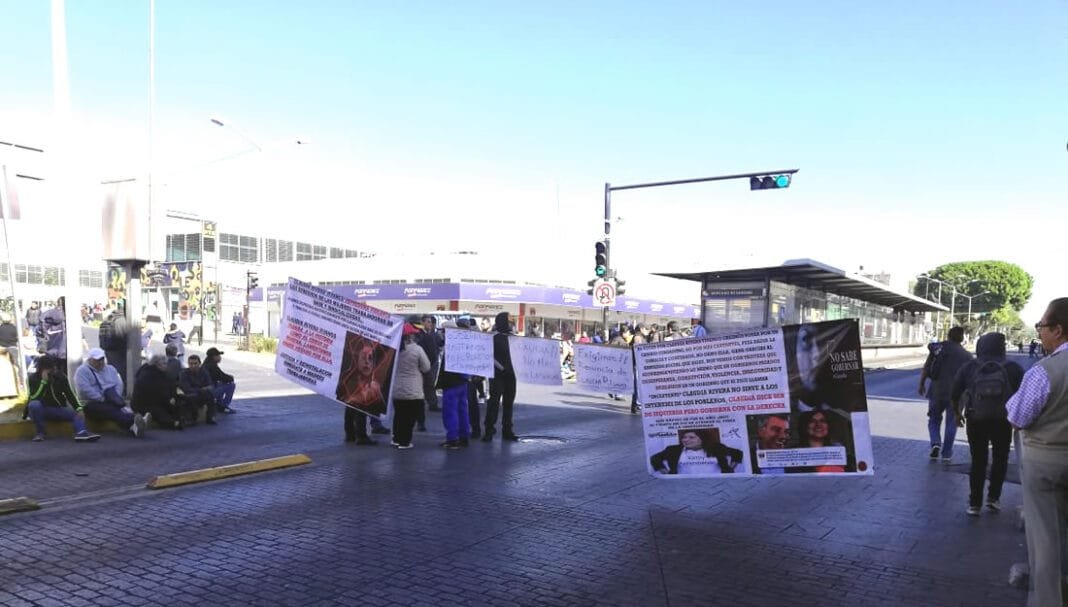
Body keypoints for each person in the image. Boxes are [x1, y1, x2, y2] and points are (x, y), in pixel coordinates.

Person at [1006, 298, 1068, 607]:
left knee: (1045, 541)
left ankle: (1049, 600)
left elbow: (1018, 417)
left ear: (1058, 330)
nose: (1040, 332)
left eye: (1042, 326)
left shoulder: (1044, 371)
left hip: (1045, 463)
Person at [950, 332, 1023, 516]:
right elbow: (1023, 396)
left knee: (978, 460)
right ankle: (994, 498)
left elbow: (955, 392)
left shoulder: (969, 367)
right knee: (1000, 458)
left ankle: (974, 504)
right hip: (1003, 421)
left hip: (976, 419)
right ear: (1002, 347)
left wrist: (958, 414)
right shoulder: (1013, 368)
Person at [918, 327, 973, 462]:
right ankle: (947, 452)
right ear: (962, 337)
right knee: (952, 423)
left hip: (937, 390)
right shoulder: (967, 355)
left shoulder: (938, 349)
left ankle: (935, 443)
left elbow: (927, 366)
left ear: (948, 335)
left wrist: (922, 383)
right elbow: (970, 378)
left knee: (934, 419)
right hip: (958, 395)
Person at [73, 348, 147, 437]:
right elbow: (84, 389)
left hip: (111, 399)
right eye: (97, 360)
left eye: (102, 359)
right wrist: (101, 398)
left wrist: (115, 397)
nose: (100, 362)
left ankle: (134, 425)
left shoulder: (110, 369)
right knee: (113, 410)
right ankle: (134, 421)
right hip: (91, 402)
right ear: (90, 360)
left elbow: (119, 383)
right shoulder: (82, 372)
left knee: (119, 408)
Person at [25, 355, 100, 442]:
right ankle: (40, 433)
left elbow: (69, 394)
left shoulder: (60, 377)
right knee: (34, 405)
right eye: (48, 369)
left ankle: (81, 433)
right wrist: (43, 382)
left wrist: (78, 408)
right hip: (40, 409)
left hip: (56, 409)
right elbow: (34, 397)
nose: (52, 371)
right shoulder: (32, 378)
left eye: (53, 368)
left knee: (75, 413)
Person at [390, 323, 431, 449]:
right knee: (409, 418)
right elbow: (426, 367)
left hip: (397, 389)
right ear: (410, 336)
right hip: (413, 390)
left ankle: (396, 439)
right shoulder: (417, 349)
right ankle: (405, 442)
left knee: (399, 415)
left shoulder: (394, 349)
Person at [483, 312, 519, 442]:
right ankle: (489, 430)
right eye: (508, 321)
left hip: (511, 376)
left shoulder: (514, 338)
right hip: (498, 376)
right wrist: (501, 368)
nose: (511, 324)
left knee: (508, 404)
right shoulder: (494, 338)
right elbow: (489, 356)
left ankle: (507, 430)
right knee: (494, 403)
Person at [436, 321, 471, 449]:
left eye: (443, 331)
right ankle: (464, 436)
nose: (442, 333)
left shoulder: (451, 345)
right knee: (462, 410)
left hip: (451, 383)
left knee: (451, 412)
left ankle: (452, 438)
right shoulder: (463, 344)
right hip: (462, 382)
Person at [649, 428, 743, 475]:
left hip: (715, 483)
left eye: (691, 437)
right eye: (684, 437)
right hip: (684, 484)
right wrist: (666, 473)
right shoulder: (673, 450)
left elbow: (737, 453)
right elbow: (655, 458)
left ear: (702, 439)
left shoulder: (716, 447)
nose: (686, 440)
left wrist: (730, 469)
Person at [132, 354, 183, 430]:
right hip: (144, 404)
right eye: (164, 364)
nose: (166, 366)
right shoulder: (149, 375)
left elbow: (169, 386)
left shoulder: (160, 373)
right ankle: (173, 423)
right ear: (156, 364)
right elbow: (158, 392)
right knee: (161, 412)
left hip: (153, 401)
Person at [178, 354, 217, 425]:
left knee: (210, 395)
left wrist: (205, 389)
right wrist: (201, 389)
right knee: (192, 396)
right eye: (191, 364)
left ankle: (210, 417)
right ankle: (193, 417)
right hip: (191, 395)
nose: (193, 366)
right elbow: (187, 388)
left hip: (202, 394)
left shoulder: (204, 372)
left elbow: (210, 384)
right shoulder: (184, 373)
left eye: (195, 363)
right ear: (188, 364)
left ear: (199, 363)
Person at [98, 307, 132, 383]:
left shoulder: (108, 319)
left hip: (108, 349)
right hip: (119, 351)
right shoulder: (122, 320)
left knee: (112, 371)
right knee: (122, 374)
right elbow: (124, 337)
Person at [203, 347, 236, 413]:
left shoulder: (207, 364)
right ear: (214, 356)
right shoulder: (212, 366)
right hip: (208, 391)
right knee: (231, 385)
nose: (220, 357)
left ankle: (219, 403)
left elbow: (220, 376)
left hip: (206, 389)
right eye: (218, 355)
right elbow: (223, 377)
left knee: (221, 383)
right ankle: (223, 406)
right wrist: (231, 377)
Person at [36, 296, 66, 363]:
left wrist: (42, 341)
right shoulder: (70, 315)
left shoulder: (47, 314)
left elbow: (39, 331)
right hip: (66, 353)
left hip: (50, 351)